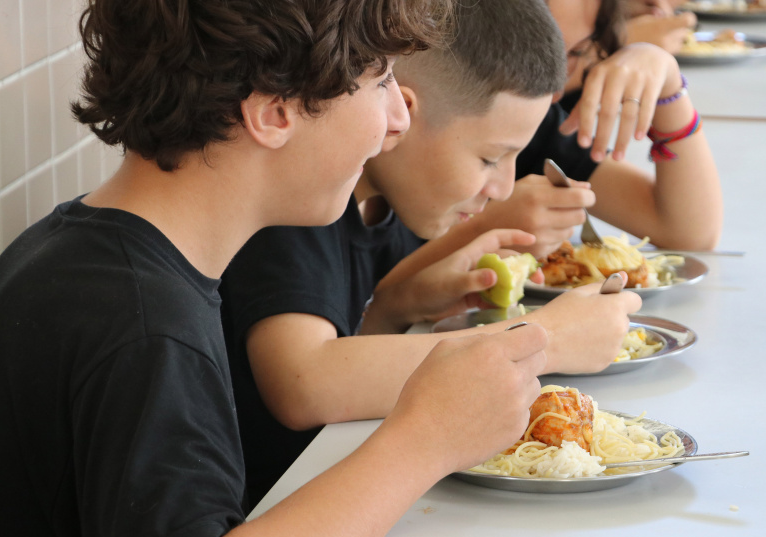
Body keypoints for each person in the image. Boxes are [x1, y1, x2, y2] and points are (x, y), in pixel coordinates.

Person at [0, 1, 575, 537]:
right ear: (275, 111)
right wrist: (425, 439)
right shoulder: (147, 327)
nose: (399, 118)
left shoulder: (77, 253)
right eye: (380, 81)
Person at [219, 0, 642, 506]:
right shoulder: (302, 203)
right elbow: (303, 384)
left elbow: (345, 336)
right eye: (490, 158)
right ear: (403, 114)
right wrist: (548, 340)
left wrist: (396, 306)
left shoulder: (387, 201)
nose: (504, 186)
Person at [494, 0, 722, 253]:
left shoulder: (536, 122)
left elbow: (689, 233)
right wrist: (478, 233)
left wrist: (668, 83)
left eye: (578, 52)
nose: (558, 89)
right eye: (536, 54)